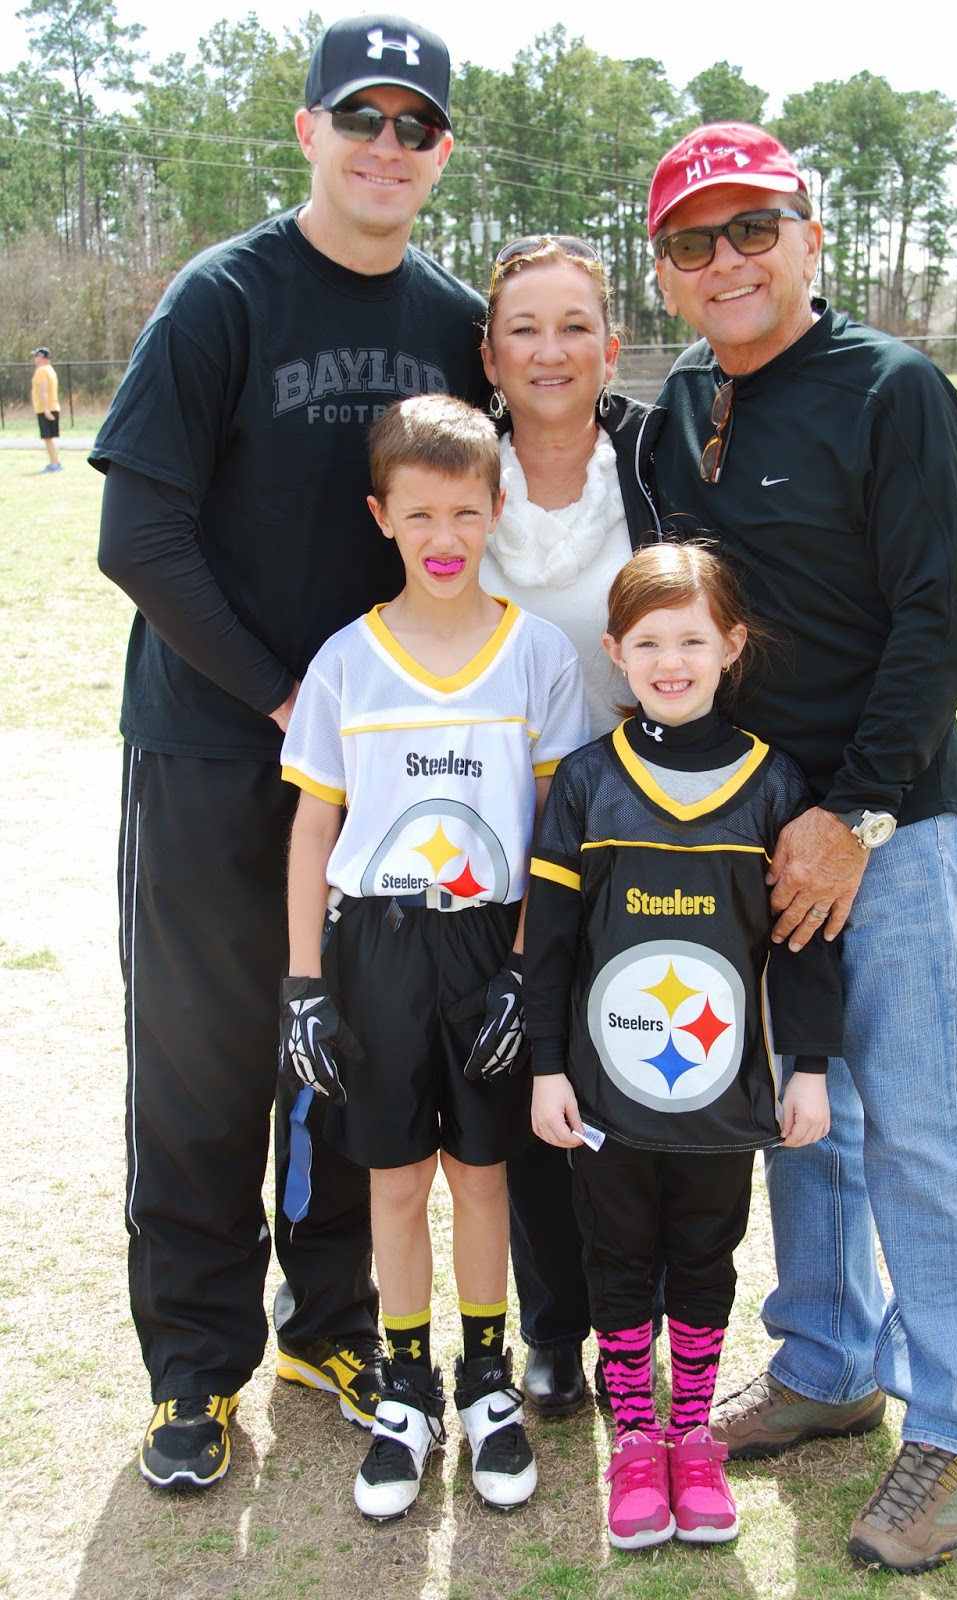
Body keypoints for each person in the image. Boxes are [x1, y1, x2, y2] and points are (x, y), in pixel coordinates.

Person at [92, 14, 490, 1489]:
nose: (386, 145)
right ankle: (193, 1369)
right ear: (309, 129)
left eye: (414, 125)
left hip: (382, 772)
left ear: (439, 153)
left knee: (344, 1050)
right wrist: (284, 700)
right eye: (360, 118)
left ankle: (329, 1322)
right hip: (212, 749)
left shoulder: (454, 320)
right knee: (203, 1063)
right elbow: (137, 536)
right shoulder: (224, 297)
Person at [648, 120, 957, 1574]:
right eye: (693, 241)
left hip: (883, 823)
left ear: (807, 236)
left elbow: (938, 615)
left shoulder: (891, 387)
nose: (727, 260)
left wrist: (851, 815)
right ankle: (824, 1362)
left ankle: (956, 1422)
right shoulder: (679, 406)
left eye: (754, 228)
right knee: (806, 1110)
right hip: (753, 826)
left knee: (914, 1119)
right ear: (665, 273)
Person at [279, 394, 589, 1517]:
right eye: (419, 514)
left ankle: (485, 1382)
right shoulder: (345, 661)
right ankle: (405, 1388)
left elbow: (554, 834)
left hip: (487, 945)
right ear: (382, 517)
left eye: (465, 511)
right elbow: (313, 829)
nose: (444, 536)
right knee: (397, 1178)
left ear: (497, 510)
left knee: (484, 1175)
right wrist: (304, 984)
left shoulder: (536, 654)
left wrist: (523, 967)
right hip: (377, 945)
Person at [524, 542, 840, 1549]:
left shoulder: (772, 784)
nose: (671, 661)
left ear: (731, 646)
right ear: (614, 650)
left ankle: (691, 1436)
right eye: (650, 641)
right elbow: (551, 944)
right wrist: (544, 1066)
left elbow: (802, 947)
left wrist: (810, 1069)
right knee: (616, 1259)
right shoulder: (587, 783)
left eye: (692, 640)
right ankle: (632, 1439)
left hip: (721, 1094)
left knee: (706, 1256)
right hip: (606, 1095)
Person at [478, 234, 665, 1415]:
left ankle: (636, 1320)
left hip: (640, 828)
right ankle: (551, 1326)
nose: (551, 351)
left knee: (639, 1072)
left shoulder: (653, 465)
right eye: (525, 328)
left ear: (611, 344)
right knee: (529, 1077)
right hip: (496, 833)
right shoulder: (457, 468)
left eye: (575, 325)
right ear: (489, 353)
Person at [31, 347, 61, 471]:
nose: (35, 359)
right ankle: (55, 462)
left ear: (43, 357)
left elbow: (43, 390)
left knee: (48, 438)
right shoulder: (50, 369)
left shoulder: (41, 371)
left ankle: (54, 464)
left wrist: (45, 409)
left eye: (37, 356)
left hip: (46, 409)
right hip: (53, 406)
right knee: (49, 438)